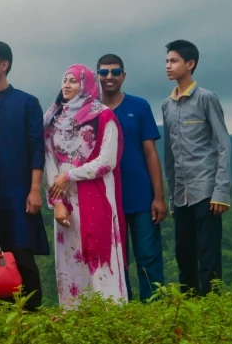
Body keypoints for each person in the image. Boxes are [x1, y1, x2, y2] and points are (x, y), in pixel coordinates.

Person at [0, 40, 49, 311]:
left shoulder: (27, 102)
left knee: (21, 252)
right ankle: (1, 317)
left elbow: (37, 147)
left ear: (4, 65)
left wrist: (35, 189)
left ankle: (32, 314)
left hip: (19, 191)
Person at [44, 64, 127, 308]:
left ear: (86, 85)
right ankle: (73, 318)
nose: (67, 85)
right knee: (70, 259)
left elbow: (107, 161)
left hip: (95, 194)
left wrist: (69, 176)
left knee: (100, 258)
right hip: (64, 197)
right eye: (65, 80)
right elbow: (48, 159)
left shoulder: (103, 116)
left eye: (74, 81)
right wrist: (57, 203)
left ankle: (109, 317)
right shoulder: (53, 119)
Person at [162, 40, 232, 296]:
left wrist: (221, 192)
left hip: (206, 191)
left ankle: (213, 311)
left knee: (209, 257)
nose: (168, 66)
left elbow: (224, 145)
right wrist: (171, 199)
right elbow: (168, 156)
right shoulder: (167, 106)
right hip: (181, 195)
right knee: (184, 256)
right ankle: (189, 310)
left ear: (190, 64)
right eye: (167, 61)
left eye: (174, 61)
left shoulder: (206, 98)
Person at [97, 54, 166, 302]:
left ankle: (155, 310)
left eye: (115, 72)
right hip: (105, 199)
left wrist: (158, 197)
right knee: (116, 260)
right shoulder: (91, 110)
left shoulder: (139, 107)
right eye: (104, 73)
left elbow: (150, 154)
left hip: (140, 197)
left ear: (124, 76)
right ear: (97, 77)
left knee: (148, 256)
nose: (109, 77)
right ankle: (122, 310)